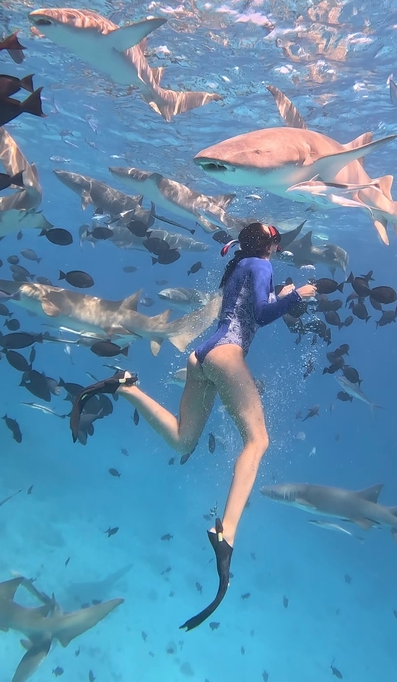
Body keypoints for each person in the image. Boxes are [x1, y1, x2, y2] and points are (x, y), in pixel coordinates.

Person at [69, 222, 317, 629]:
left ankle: (126, 387)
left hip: (201, 356)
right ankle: (227, 532)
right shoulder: (261, 265)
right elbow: (262, 312)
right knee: (257, 442)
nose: (277, 249)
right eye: (277, 243)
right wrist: (297, 295)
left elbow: (245, 306)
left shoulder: (240, 265)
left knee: (184, 442)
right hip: (226, 354)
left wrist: (284, 294)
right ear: (271, 245)